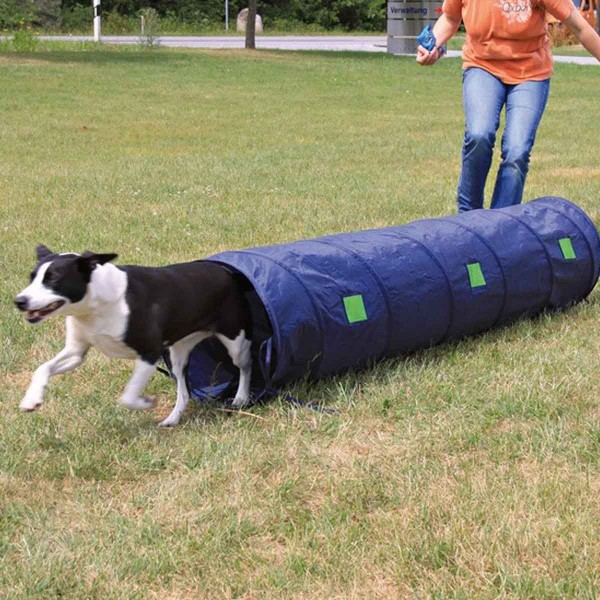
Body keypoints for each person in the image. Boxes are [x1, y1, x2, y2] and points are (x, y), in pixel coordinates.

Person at [417, 1, 600, 212]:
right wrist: (432, 46)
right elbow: (450, 18)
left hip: (530, 72)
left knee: (517, 150)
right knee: (479, 134)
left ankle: (501, 225)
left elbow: (580, 27)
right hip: (482, 65)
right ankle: (468, 218)